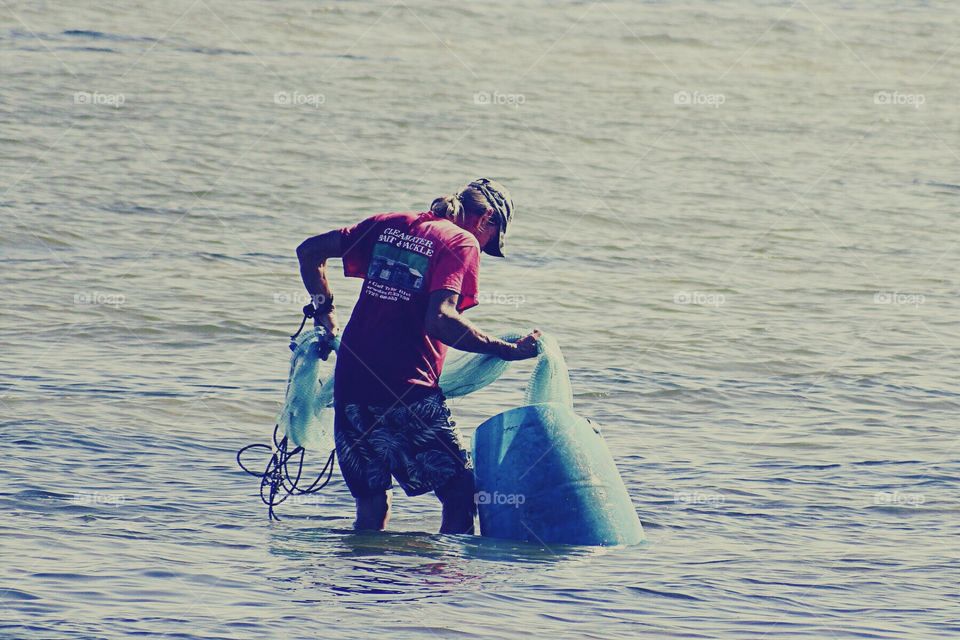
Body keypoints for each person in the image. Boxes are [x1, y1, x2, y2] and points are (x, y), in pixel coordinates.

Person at [296, 178, 541, 534]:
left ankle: (363, 581)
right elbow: (440, 319)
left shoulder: (389, 223)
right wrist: (506, 350)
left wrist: (324, 313)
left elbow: (309, 251)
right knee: (460, 493)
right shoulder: (461, 240)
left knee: (372, 500)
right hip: (405, 390)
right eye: (491, 238)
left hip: (351, 385)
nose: (484, 247)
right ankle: (444, 587)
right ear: (486, 217)